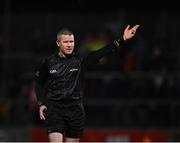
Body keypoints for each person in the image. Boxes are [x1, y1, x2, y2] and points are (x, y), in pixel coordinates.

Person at [34, 24, 140, 142]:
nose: (70, 45)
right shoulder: (48, 62)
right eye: (66, 42)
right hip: (55, 110)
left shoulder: (80, 60)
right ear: (58, 43)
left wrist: (122, 39)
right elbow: (38, 82)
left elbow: (101, 52)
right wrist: (40, 103)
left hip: (75, 111)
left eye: (71, 41)